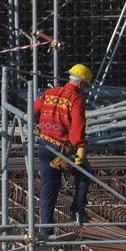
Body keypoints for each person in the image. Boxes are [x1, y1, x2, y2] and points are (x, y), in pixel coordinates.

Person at [33, 64, 91, 229]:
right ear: (80, 84)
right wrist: (80, 147)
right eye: (86, 85)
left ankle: (46, 231)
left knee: (48, 189)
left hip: (44, 146)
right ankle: (77, 210)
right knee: (84, 174)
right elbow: (77, 127)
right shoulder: (76, 99)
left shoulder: (49, 93)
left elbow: (32, 112)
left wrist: (38, 124)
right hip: (61, 148)